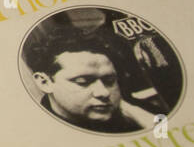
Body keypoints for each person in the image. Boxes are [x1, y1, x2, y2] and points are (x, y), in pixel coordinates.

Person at [23, 35, 155, 132]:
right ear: (44, 82)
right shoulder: (37, 132)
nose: (104, 92)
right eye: (83, 82)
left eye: (109, 81)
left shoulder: (140, 111)